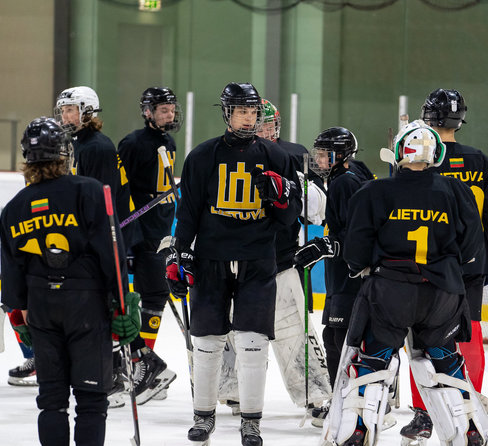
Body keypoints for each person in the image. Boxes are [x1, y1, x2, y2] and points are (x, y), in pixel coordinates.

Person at [320, 120, 488, 446]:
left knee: (372, 362)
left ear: (399, 151)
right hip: (442, 295)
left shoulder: (374, 191)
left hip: (390, 293)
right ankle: (469, 427)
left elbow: (355, 254)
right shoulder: (457, 191)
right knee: (443, 360)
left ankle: (358, 427)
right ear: (435, 153)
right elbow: (470, 249)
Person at [166, 82, 301, 446]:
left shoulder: (277, 157)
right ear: (227, 113)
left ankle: (251, 420)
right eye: (242, 111)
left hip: (258, 259)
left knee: (253, 342)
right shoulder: (202, 156)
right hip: (212, 258)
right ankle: (202, 415)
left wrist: (282, 199)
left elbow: (291, 220)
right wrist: (181, 254)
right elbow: (189, 210)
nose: (249, 118)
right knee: (207, 342)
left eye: (254, 112)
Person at [0, 117, 141, 446]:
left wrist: (21, 320)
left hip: (42, 308)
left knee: (51, 401)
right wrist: (124, 303)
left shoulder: (14, 208)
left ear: (27, 158)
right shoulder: (90, 191)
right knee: (91, 400)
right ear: (65, 154)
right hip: (87, 308)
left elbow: (13, 276)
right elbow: (112, 254)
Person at [399, 89, 488, 445]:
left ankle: (423, 414)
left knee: (418, 339)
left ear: (428, 117)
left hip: (423, 262)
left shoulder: (419, 155)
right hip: (469, 264)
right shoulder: (479, 160)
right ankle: (469, 403)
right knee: (469, 332)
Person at [54, 86, 168, 407]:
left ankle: (128, 369)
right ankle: (141, 364)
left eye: (70, 110)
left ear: (88, 111)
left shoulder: (96, 148)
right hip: (94, 239)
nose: (65, 116)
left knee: (104, 309)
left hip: (104, 239)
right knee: (96, 309)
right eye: (62, 110)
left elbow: (100, 202)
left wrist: (88, 241)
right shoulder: (79, 144)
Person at [217, 99, 331, 416]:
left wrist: (291, 185)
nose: (263, 129)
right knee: (233, 332)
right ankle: (234, 393)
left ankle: (316, 396)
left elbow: (319, 209)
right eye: (257, 122)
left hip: (280, 264)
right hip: (234, 264)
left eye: (268, 124)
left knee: (295, 333)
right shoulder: (224, 157)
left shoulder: (290, 158)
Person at [293, 127, 375, 426]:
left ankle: (346, 403)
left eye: (323, 153)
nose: (317, 158)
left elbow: (357, 234)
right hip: (348, 275)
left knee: (339, 340)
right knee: (344, 339)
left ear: (339, 155)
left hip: (348, 277)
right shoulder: (354, 175)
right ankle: (361, 400)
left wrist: (328, 246)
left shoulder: (343, 183)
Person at [116, 87, 183, 404]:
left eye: (172, 109)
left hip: (161, 234)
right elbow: (119, 189)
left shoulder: (169, 142)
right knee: (142, 296)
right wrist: (130, 236)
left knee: (155, 296)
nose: (170, 114)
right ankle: (136, 365)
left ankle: (144, 364)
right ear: (148, 112)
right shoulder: (131, 144)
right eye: (164, 109)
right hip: (139, 233)